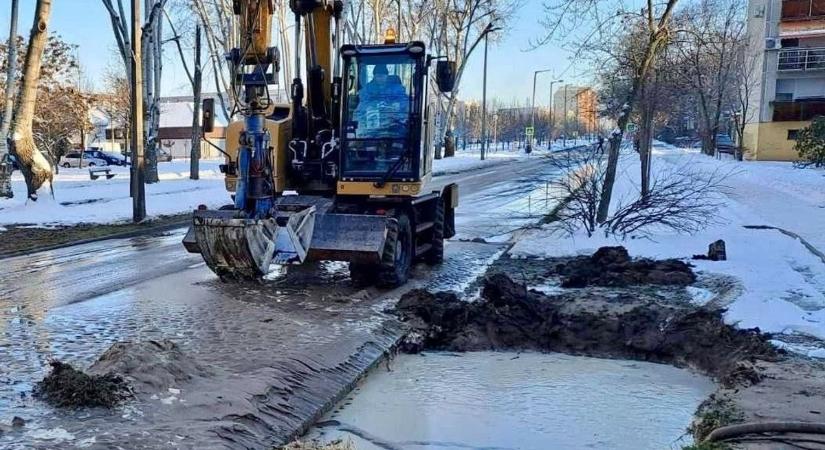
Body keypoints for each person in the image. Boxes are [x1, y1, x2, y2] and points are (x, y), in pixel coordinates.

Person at [355, 64, 409, 135]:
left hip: (394, 121)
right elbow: (362, 103)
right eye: (378, 76)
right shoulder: (367, 89)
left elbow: (405, 100)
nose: (380, 78)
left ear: (387, 76)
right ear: (374, 76)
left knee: (402, 134)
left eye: (383, 76)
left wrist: (398, 105)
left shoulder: (397, 88)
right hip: (372, 121)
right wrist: (372, 106)